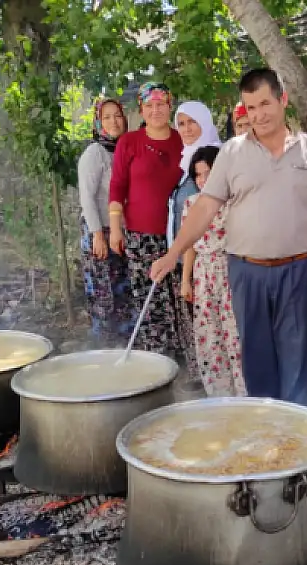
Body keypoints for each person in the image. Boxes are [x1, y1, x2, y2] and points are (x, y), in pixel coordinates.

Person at [151, 68, 307, 407]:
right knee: (256, 356)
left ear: (282, 99)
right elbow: (204, 208)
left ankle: (296, 435)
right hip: (247, 271)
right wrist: (174, 252)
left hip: (298, 268)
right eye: (250, 108)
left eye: (264, 104)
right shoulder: (231, 152)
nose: (258, 115)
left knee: (298, 353)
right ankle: (264, 432)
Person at [108, 82, 197, 373]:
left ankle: (191, 363)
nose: (156, 110)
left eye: (161, 104)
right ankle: (157, 363)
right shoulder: (129, 142)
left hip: (181, 235)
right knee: (150, 297)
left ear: (169, 106)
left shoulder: (183, 140)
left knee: (183, 294)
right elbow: (118, 185)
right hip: (141, 236)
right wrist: (115, 228)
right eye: (149, 106)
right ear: (142, 110)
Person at [179, 145, 246, 397]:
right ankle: (219, 397)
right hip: (203, 274)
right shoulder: (191, 204)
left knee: (236, 335)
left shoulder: (235, 201)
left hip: (231, 269)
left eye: (209, 172)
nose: (204, 179)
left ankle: (245, 395)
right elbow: (189, 245)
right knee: (210, 336)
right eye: (198, 174)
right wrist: (186, 280)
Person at [77, 97, 133, 343]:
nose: (113, 121)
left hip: (122, 232)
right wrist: (97, 235)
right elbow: (86, 197)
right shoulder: (95, 153)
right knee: (104, 296)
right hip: (99, 231)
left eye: (117, 115)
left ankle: (124, 352)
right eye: (107, 117)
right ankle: (104, 352)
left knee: (123, 294)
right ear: (98, 121)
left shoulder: (125, 150)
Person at [171, 102, 221, 246]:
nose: (186, 129)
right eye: (181, 123)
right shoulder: (184, 160)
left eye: (192, 121)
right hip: (183, 253)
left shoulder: (217, 158)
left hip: (207, 256)